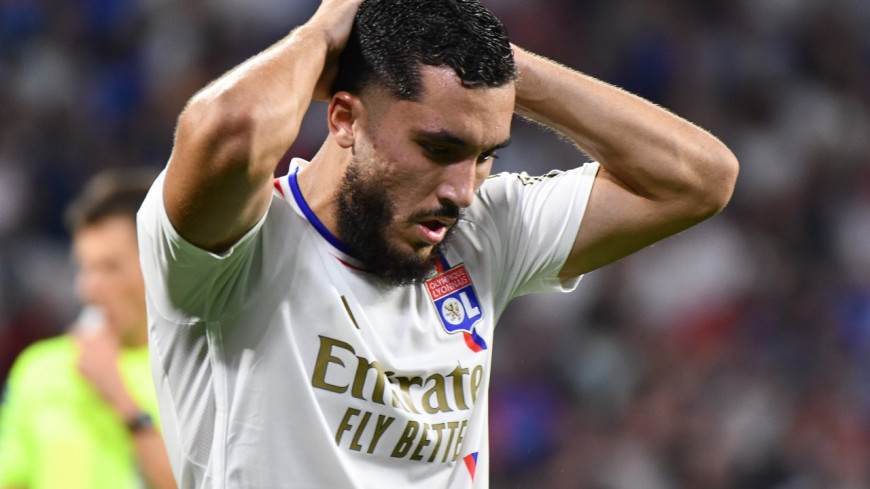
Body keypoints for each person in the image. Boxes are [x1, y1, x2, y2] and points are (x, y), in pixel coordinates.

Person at [136, 0, 738, 487]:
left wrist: (495, 66)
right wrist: (320, 36)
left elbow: (700, 179)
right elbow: (230, 130)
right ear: (344, 118)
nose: (463, 191)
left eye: (484, 155)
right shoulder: (234, 249)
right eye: (439, 148)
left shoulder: (483, 232)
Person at [0, 169, 177, 489]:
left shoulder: (192, 371)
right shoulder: (40, 367)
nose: (88, 289)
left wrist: (124, 402)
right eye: (84, 267)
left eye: (110, 267)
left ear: (160, 264)